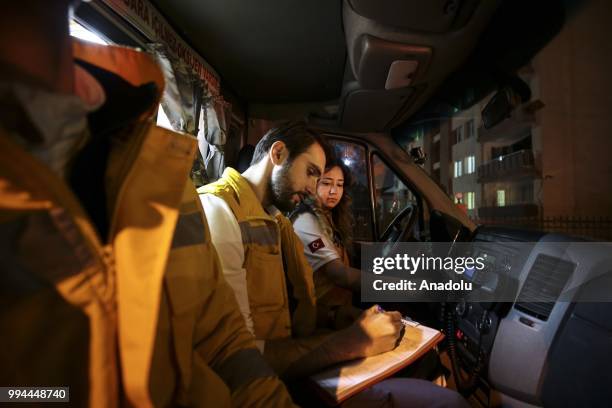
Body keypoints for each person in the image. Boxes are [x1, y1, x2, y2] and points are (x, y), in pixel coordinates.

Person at [0, 1, 294, 406]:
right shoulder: (219, 206)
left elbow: (223, 340)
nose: (322, 191)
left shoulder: (155, 161)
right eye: (314, 173)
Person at [199, 122, 469, 407]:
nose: (315, 187)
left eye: (326, 180)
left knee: (425, 363)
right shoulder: (220, 211)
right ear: (278, 154)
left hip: (288, 369)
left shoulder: (274, 219)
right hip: (267, 387)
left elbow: (281, 309)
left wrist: (333, 317)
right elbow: (235, 358)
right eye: (313, 173)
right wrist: (353, 342)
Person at [290, 158, 363, 329]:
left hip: (340, 310)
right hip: (321, 319)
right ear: (312, 184)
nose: (333, 191)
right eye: (326, 183)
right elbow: (338, 273)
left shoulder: (330, 218)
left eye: (339, 185)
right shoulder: (305, 221)